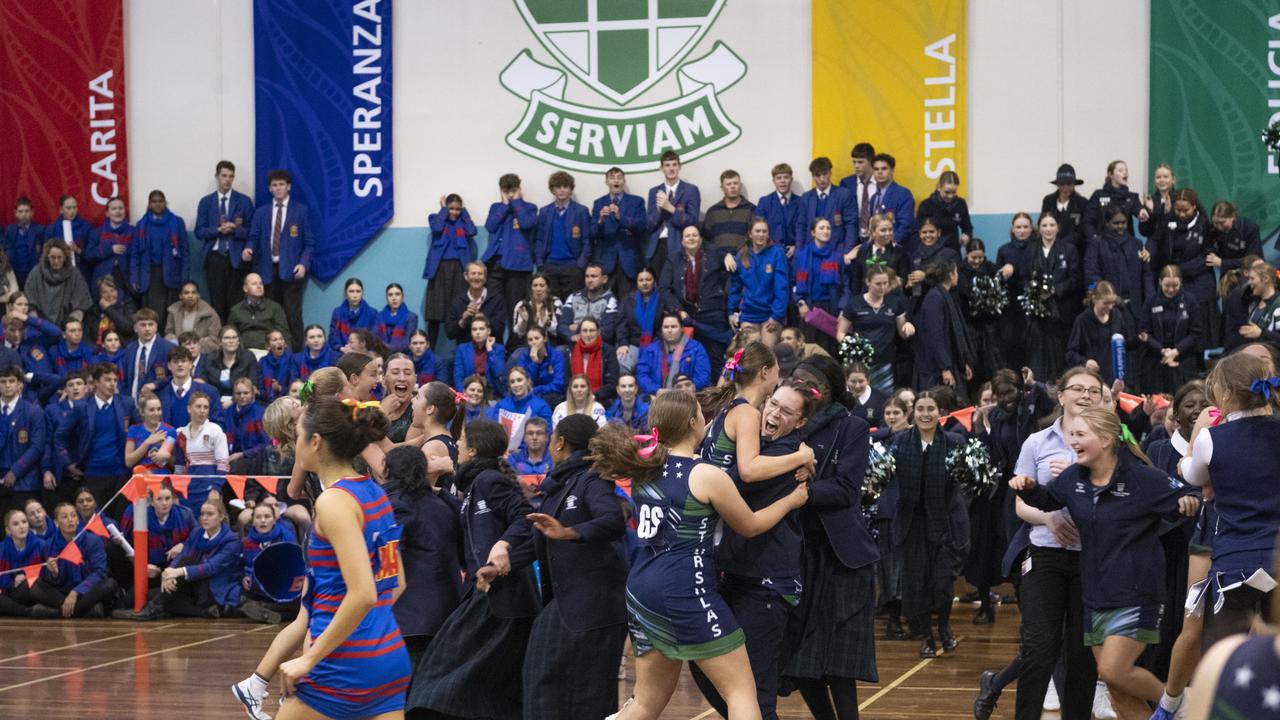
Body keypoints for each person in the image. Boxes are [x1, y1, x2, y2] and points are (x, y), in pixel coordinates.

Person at [589, 390, 808, 720]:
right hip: (683, 587)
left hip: (641, 586)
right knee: (741, 692)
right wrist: (791, 500)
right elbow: (749, 525)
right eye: (702, 414)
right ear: (693, 422)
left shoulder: (643, 468)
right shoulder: (705, 474)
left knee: (646, 701)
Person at [1011, 408, 1201, 710]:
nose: (1072, 441)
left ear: (1106, 439)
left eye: (1079, 434)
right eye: (1071, 434)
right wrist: (1030, 489)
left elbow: (1187, 495)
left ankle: (1180, 702)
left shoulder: (1141, 477)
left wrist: (1187, 501)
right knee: (1117, 689)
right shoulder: (1075, 478)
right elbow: (1049, 500)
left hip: (1138, 593)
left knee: (1112, 670)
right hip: (1096, 595)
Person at [234, 395, 409, 720]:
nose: (292, 443)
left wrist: (309, 659)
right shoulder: (376, 493)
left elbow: (364, 593)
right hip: (388, 658)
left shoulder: (333, 502)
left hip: (342, 665)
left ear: (315, 442)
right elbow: (396, 584)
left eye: (298, 434)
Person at [972, 366, 1107, 720]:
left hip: (1090, 558)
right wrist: (1048, 517)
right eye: (1077, 388)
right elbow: (1020, 501)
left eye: (1093, 390)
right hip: (1044, 554)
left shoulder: (1112, 443)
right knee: (1038, 648)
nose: (1085, 396)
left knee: (1081, 653)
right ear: (1060, 395)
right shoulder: (1037, 441)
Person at [690, 383, 818, 719]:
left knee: (756, 695)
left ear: (800, 422)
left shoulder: (783, 454)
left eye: (786, 411)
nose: (773, 414)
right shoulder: (767, 448)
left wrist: (801, 457)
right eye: (773, 404)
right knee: (708, 670)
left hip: (766, 585)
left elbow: (733, 480)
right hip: (735, 577)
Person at [406, 419, 539, 719]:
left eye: (462, 440)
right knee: (490, 681)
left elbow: (525, 516)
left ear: (474, 449)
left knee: (440, 668)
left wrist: (503, 545)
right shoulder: (476, 483)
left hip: (501, 599)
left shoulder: (490, 481)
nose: (458, 446)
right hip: (488, 595)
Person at [783, 356, 880, 719]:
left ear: (829, 389)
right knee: (799, 661)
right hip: (797, 555)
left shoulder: (851, 427)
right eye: (796, 381)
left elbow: (845, 490)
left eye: (811, 383)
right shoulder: (784, 425)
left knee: (839, 663)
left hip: (842, 558)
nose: (803, 388)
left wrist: (799, 490)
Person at [523, 414, 627, 718]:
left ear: (560, 442)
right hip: (571, 606)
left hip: (595, 609)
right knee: (546, 688)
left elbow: (613, 520)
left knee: (588, 699)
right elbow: (537, 541)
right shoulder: (560, 485)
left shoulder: (591, 480)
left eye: (553, 436)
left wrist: (570, 532)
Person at [1179, 351, 1280, 649]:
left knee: (1224, 655)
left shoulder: (1212, 438)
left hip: (1236, 561)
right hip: (1277, 554)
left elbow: (1193, 476)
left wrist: (1184, 459)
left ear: (1223, 392)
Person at [1143, 381, 1211, 719]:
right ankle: (1164, 697)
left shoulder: (1216, 445)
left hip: (1207, 552)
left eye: (1203, 404)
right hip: (1167, 552)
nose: (1197, 409)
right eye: (1189, 404)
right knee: (1167, 626)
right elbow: (1151, 496)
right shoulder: (1158, 449)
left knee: (1201, 629)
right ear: (1176, 413)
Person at [888, 390, 968, 658]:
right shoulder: (899, 442)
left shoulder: (956, 442)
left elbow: (968, 481)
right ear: (913, 413)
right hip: (912, 526)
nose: (924, 413)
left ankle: (944, 625)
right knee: (916, 585)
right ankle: (926, 636)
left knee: (942, 583)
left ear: (940, 413)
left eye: (930, 408)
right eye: (920, 408)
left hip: (944, 523)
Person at [385, 444, 463, 672]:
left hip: (410, 616)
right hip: (447, 611)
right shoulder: (444, 506)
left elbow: (390, 560)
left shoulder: (397, 505)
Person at [122, 500, 243, 620]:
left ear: (221, 516)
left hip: (213, 590)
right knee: (154, 594)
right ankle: (203, 613)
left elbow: (210, 567)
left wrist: (178, 571)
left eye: (210, 514)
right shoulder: (197, 532)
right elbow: (183, 554)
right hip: (194, 584)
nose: (204, 518)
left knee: (181, 570)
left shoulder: (232, 541)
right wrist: (169, 571)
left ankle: (155, 608)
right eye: (202, 514)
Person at [243, 169, 312, 351]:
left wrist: (303, 264)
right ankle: (270, 355)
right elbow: (253, 236)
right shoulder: (261, 212)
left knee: (293, 315)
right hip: (266, 271)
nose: (278, 188)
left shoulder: (301, 211)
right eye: (275, 185)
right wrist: (248, 248)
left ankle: (297, 355)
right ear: (269, 188)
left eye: (282, 184)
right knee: (270, 316)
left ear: (288, 187)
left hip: (291, 272)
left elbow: (309, 243)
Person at [54, 363, 139, 513]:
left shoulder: (126, 403)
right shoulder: (82, 406)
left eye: (115, 380)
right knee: (97, 523)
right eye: (107, 380)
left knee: (121, 521)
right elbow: (60, 437)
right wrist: (68, 463)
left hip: (121, 473)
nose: (112, 384)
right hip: (93, 474)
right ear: (96, 382)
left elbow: (140, 431)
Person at [659, 224, 733, 371]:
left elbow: (730, 273)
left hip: (713, 314)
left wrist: (728, 256)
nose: (691, 238)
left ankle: (716, 392)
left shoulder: (714, 254)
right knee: (689, 360)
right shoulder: (673, 259)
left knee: (716, 359)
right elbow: (664, 288)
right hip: (686, 315)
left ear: (700, 239)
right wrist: (678, 310)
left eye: (694, 235)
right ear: (682, 241)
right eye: (687, 236)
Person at [28, 502, 118, 617]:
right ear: (56, 523)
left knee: (110, 584)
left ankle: (57, 613)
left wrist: (76, 592)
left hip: (85, 591)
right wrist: (53, 574)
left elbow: (100, 572)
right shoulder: (49, 545)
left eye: (73, 515)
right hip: (61, 593)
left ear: (78, 519)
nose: (70, 520)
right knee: (34, 587)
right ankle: (84, 611)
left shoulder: (92, 540)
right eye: (65, 517)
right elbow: (47, 580)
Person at [837, 265, 915, 393]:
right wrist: (850, 345)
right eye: (878, 284)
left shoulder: (895, 303)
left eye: (885, 283)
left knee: (884, 398)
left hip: (885, 362)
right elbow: (840, 332)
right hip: (861, 363)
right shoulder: (854, 303)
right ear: (868, 282)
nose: (882, 287)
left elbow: (903, 332)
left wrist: (909, 328)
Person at [1023, 212, 1082, 383]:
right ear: (1039, 228)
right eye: (1044, 225)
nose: (1048, 229)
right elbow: (1025, 277)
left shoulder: (1069, 249)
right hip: (1036, 315)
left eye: (1052, 225)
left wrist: (1056, 290)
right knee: (1037, 356)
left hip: (1061, 313)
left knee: (1059, 356)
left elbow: (1075, 278)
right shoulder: (1031, 249)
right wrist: (1035, 293)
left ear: (1058, 227)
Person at [1158, 188, 1218, 350]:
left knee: (1199, 330)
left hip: (1199, 281)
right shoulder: (1168, 222)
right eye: (1178, 210)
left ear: (1194, 207)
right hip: (1175, 282)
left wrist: (1180, 270)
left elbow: (1208, 255)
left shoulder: (1204, 224)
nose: (1182, 214)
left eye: (1186, 210)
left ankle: (1200, 367)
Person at [195, 160, 255, 320]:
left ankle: (235, 338)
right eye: (223, 176)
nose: (227, 180)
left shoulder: (244, 201)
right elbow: (199, 231)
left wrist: (236, 230)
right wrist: (217, 230)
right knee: (217, 302)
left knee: (236, 303)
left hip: (236, 257)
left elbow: (252, 231)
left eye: (230, 176)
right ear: (217, 177)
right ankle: (220, 339)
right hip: (214, 257)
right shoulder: (206, 202)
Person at [128, 190, 189, 326]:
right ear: (149, 204)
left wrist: (184, 277)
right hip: (149, 276)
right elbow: (135, 254)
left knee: (170, 313)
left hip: (171, 275)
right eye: (154, 201)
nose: (157, 204)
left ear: (165, 203)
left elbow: (185, 252)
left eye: (160, 201)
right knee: (150, 314)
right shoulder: (142, 224)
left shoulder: (176, 222)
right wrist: (134, 277)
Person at [1139, 265, 1203, 394]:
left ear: (1181, 283)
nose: (1171, 289)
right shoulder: (1150, 301)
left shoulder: (1190, 301)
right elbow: (1144, 332)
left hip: (1183, 358)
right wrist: (1162, 351)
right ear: (1160, 282)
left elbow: (1196, 333)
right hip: (1156, 359)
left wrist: (1175, 351)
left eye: (1175, 285)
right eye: (1167, 285)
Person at [914, 260, 975, 393]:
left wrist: (962, 363)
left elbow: (953, 336)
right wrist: (945, 368)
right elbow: (936, 336)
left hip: (947, 365)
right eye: (957, 272)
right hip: (935, 371)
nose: (958, 276)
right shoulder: (935, 298)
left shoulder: (943, 295)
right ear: (951, 275)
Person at [423, 193, 477, 345]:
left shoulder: (463, 222)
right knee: (435, 313)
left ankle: (461, 348)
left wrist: (464, 211)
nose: (454, 212)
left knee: (460, 312)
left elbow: (472, 231)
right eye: (451, 208)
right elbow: (437, 228)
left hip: (459, 270)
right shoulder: (435, 218)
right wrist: (444, 210)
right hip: (439, 270)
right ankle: (430, 349)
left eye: (457, 209)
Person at [729, 217, 789, 347]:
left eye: (764, 231)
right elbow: (735, 287)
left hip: (770, 313)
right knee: (749, 355)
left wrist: (776, 315)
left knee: (767, 354)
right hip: (748, 314)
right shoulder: (742, 255)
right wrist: (731, 311)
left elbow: (782, 288)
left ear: (768, 234)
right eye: (757, 231)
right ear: (750, 234)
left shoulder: (777, 253)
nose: (761, 234)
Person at [238, 501, 300, 625]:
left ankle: (266, 608)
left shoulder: (286, 537)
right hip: (257, 586)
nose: (263, 521)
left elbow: (294, 564)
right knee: (239, 596)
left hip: (282, 586)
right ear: (253, 520)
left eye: (267, 516)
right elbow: (242, 565)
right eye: (258, 517)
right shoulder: (246, 541)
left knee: (300, 604)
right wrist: (244, 576)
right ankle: (272, 612)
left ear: (274, 519)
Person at [1086, 205, 1153, 319]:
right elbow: (1091, 275)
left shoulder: (1137, 243)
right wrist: (1109, 297)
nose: (1120, 226)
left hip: (1136, 308)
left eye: (1123, 222)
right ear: (1107, 223)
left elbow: (1146, 275)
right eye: (1116, 223)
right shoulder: (1097, 244)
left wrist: (1150, 300)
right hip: (1108, 307)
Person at [590, 167, 648, 298]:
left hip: (629, 262)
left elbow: (641, 226)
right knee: (606, 304)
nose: (616, 181)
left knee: (628, 305)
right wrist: (600, 220)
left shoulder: (636, 201)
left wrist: (619, 217)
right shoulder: (599, 203)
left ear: (624, 181)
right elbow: (592, 233)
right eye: (612, 177)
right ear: (606, 181)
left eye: (619, 177)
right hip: (606, 264)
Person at [483, 173, 539, 305]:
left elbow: (526, 224)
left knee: (516, 307)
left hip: (517, 265)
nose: (510, 195)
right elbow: (490, 227)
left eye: (513, 191)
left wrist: (516, 202)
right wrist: (505, 205)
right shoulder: (496, 207)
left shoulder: (529, 207)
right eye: (506, 191)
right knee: (493, 306)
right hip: (495, 264)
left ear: (519, 190)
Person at [535, 170, 591, 300]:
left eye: (565, 187)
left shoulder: (581, 211)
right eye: (558, 187)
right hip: (549, 266)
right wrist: (540, 264)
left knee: (572, 307)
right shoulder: (544, 212)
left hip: (572, 267)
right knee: (552, 308)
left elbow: (587, 241)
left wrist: (580, 265)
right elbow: (539, 240)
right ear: (552, 190)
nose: (562, 190)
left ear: (571, 190)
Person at [0, 364, 48, 516]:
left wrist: (15, 471)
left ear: (20, 384)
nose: (7, 385)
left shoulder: (33, 411)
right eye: (3, 381)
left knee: (23, 529)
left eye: (11, 381)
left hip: (25, 482)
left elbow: (37, 447)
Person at [1067, 281, 1135, 385]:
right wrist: (1085, 362)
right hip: (1091, 380)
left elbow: (1125, 345)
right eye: (1106, 303)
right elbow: (1071, 354)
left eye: (1112, 303)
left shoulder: (1117, 316)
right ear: (1094, 299)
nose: (1110, 307)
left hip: (1114, 380)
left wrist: (1139, 340)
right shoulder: (1082, 321)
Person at [793, 218, 845, 353]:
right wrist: (800, 302)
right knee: (809, 351)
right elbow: (793, 283)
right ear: (813, 232)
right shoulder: (801, 255)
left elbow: (846, 286)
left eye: (828, 228)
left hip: (830, 309)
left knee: (829, 352)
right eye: (821, 228)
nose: (826, 231)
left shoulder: (837, 257)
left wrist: (843, 309)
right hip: (808, 308)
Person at [645, 150, 701, 275]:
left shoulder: (691, 190)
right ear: (661, 168)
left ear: (679, 167)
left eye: (674, 165)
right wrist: (659, 211)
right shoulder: (654, 191)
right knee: (659, 286)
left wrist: (670, 208)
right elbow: (649, 225)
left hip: (679, 244)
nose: (671, 169)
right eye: (667, 165)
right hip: (657, 246)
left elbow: (693, 222)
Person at [174, 391, 230, 514]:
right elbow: (179, 467)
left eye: (206, 407)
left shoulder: (215, 430)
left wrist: (215, 489)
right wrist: (177, 491)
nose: (202, 410)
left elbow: (224, 464)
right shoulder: (181, 434)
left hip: (209, 488)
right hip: (188, 490)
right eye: (198, 406)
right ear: (189, 408)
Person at [843, 213, 911, 313]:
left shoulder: (899, 251)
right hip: (866, 305)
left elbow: (904, 278)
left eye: (890, 230)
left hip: (892, 304)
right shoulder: (863, 251)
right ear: (873, 232)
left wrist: (896, 283)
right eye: (883, 230)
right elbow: (857, 281)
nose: (888, 233)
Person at [636, 312, 711, 396]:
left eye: (673, 327)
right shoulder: (651, 350)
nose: (669, 330)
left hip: (689, 397)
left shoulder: (696, 348)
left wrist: (684, 390)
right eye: (666, 327)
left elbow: (703, 376)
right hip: (658, 398)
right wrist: (657, 390)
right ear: (661, 329)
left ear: (682, 328)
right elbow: (642, 375)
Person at [23, 240, 90, 327]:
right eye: (52, 257)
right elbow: (30, 303)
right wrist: (38, 324)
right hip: (40, 326)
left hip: (67, 327)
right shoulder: (36, 273)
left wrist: (71, 326)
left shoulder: (74, 274)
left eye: (60, 257)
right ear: (47, 257)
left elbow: (81, 304)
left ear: (65, 257)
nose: (56, 261)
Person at [795, 157, 856, 252]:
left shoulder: (844, 195)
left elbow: (851, 224)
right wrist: (799, 251)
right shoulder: (806, 198)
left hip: (836, 250)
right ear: (813, 176)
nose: (822, 179)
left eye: (825, 174)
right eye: (817, 175)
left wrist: (847, 250)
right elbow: (801, 226)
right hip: (811, 251)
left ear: (830, 173)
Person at [155, 345, 222, 429]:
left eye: (183, 361)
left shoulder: (210, 391)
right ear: (169, 366)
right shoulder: (159, 394)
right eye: (175, 362)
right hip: (167, 441)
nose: (180, 364)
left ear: (190, 364)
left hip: (199, 441)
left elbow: (218, 424)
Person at [0, 507, 49, 616]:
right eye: (16, 524)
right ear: (8, 530)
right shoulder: (1, 548)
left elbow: (48, 574)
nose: (22, 526)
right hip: (10, 593)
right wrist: (12, 582)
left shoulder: (41, 545)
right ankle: (28, 612)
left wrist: (28, 576)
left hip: (34, 590)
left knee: (30, 584)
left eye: (24, 522)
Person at [445, 261, 508, 344]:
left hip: (491, 350)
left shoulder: (497, 299)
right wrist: (462, 321)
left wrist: (480, 316)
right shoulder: (457, 301)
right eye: (473, 273)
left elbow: (499, 330)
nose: (476, 277)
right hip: (466, 351)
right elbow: (450, 333)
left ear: (485, 277)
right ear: (466, 276)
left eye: (480, 274)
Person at [557, 263, 621, 345]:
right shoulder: (573, 297)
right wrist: (572, 336)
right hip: (574, 343)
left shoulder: (610, 300)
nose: (589, 280)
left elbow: (608, 332)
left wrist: (578, 328)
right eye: (587, 276)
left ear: (604, 279)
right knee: (559, 352)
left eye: (594, 276)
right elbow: (562, 326)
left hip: (598, 346)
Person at [561, 316, 620, 406]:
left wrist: (594, 396)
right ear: (579, 333)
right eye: (584, 331)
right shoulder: (570, 351)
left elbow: (612, 383)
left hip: (601, 400)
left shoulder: (608, 351)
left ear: (598, 332)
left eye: (592, 330)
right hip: (574, 400)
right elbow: (566, 381)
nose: (588, 334)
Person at [201, 325, 263, 406]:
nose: (231, 341)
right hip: (215, 403)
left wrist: (232, 401)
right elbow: (204, 384)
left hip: (242, 403)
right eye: (227, 338)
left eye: (234, 337)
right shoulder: (210, 358)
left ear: (238, 341)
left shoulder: (248, 357)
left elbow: (253, 386)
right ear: (220, 342)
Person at [228, 272, 291, 351]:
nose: (259, 286)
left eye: (261, 283)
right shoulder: (236, 310)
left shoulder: (274, 307)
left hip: (268, 352)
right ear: (245, 288)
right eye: (254, 284)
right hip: (243, 353)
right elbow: (229, 334)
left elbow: (284, 333)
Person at [1083, 160, 1144, 241]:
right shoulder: (1098, 195)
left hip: (1125, 244)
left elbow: (1139, 210)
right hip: (1103, 243)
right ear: (1111, 174)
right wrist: (1095, 238)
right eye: (1121, 170)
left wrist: (1143, 212)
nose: (1125, 173)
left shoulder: (1132, 197)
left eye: (1126, 170)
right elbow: (1087, 221)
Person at [490, 365, 553, 442]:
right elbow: (494, 433)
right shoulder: (501, 406)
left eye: (519, 380)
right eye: (512, 382)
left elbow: (546, 436)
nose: (516, 385)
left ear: (528, 381)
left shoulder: (542, 406)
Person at [616, 267, 662, 372]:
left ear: (654, 281)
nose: (644, 283)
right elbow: (621, 324)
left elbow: (663, 326)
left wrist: (655, 346)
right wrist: (623, 344)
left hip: (657, 344)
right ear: (637, 282)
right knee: (622, 360)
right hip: (634, 344)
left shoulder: (662, 299)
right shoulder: (628, 299)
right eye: (641, 280)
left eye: (648, 279)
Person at [915, 171, 973, 252]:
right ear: (939, 187)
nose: (950, 196)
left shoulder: (960, 204)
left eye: (954, 192)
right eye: (947, 192)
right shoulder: (926, 205)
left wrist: (966, 236)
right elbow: (916, 231)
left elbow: (967, 227)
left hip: (953, 251)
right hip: (930, 252)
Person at [507, 324, 565, 406]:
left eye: (537, 338)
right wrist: (534, 363)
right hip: (529, 394)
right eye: (530, 340)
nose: (534, 342)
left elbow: (558, 384)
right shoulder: (524, 357)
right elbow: (525, 383)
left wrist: (538, 389)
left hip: (551, 395)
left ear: (544, 339)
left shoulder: (556, 355)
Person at [85, 196, 133, 293]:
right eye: (114, 209)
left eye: (120, 208)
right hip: (103, 281)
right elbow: (88, 255)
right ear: (107, 213)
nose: (118, 211)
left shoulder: (134, 231)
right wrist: (110, 249)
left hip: (127, 282)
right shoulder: (96, 232)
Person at [702, 169, 757, 252]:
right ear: (722, 188)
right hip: (718, 262)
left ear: (740, 185)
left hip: (744, 261)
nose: (732, 186)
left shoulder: (752, 209)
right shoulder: (713, 212)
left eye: (735, 183)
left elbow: (757, 237)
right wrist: (720, 256)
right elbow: (706, 240)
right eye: (728, 184)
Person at [124, 393, 177, 477]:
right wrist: (147, 442)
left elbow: (175, 464)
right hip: (140, 478)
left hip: (163, 479)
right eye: (151, 410)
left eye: (159, 409)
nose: (156, 413)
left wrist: (167, 456)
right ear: (142, 412)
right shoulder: (133, 429)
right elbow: (129, 462)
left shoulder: (170, 430)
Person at [868, 153, 916, 246]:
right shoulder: (874, 198)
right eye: (876, 169)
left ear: (892, 170)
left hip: (896, 250)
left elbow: (905, 227)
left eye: (884, 168)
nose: (879, 172)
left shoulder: (903, 194)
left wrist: (888, 246)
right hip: (877, 251)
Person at [453, 314, 506, 395]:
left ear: (488, 331)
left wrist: (489, 349)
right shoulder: (462, 349)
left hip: (490, 392)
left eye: (481, 329)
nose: (477, 332)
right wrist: (462, 393)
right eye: (474, 329)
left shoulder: (498, 349)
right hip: (469, 391)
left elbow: (498, 372)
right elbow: (458, 376)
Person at [756, 162, 803, 249]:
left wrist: (796, 247)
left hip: (794, 253)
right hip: (770, 251)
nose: (782, 181)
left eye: (786, 177)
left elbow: (804, 228)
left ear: (791, 179)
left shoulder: (801, 202)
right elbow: (758, 229)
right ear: (773, 181)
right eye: (778, 178)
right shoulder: (764, 202)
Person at [1041, 163, 1089, 248]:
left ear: (1074, 184)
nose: (1066, 188)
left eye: (1069, 184)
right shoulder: (1048, 201)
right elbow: (1043, 223)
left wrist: (1063, 243)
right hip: (1051, 248)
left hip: (1075, 249)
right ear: (1057, 184)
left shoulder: (1082, 203)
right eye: (1062, 184)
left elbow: (1082, 230)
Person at [1207, 200, 1263, 273]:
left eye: (1222, 223)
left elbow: (1253, 259)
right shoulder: (1213, 230)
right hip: (1228, 273)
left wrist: (1222, 263)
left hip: (1251, 272)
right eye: (1215, 222)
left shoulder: (1249, 228)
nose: (1219, 227)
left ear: (1232, 217)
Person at [327, 277, 378, 353]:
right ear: (346, 293)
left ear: (362, 293)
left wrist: (359, 350)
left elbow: (374, 338)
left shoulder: (372, 313)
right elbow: (332, 337)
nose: (355, 295)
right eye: (351, 291)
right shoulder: (337, 312)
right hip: (341, 354)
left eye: (358, 291)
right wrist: (341, 348)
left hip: (364, 355)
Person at [511, 273, 562, 347]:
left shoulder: (555, 303)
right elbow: (517, 335)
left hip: (550, 344)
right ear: (530, 289)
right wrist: (524, 323)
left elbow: (560, 331)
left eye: (542, 285)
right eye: (535, 286)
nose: (538, 289)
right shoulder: (522, 305)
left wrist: (548, 324)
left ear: (548, 288)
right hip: (526, 345)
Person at [840, 143, 879, 240]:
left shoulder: (881, 182)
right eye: (854, 162)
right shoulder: (846, 183)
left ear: (871, 161)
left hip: (876, 237)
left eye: (860, 162)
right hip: (853, 238)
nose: (856, 166)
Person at [164, 280, 220, 346]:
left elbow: (214, 339)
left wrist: (193, 346)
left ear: (198, 295)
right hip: (179, 352)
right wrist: (178, 346)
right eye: (186, 293)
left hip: (203, 354)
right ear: (180, 296)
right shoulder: (173, 312)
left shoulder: (210, 314)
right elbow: (169, 334)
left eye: (193, 292)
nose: (190, 296)